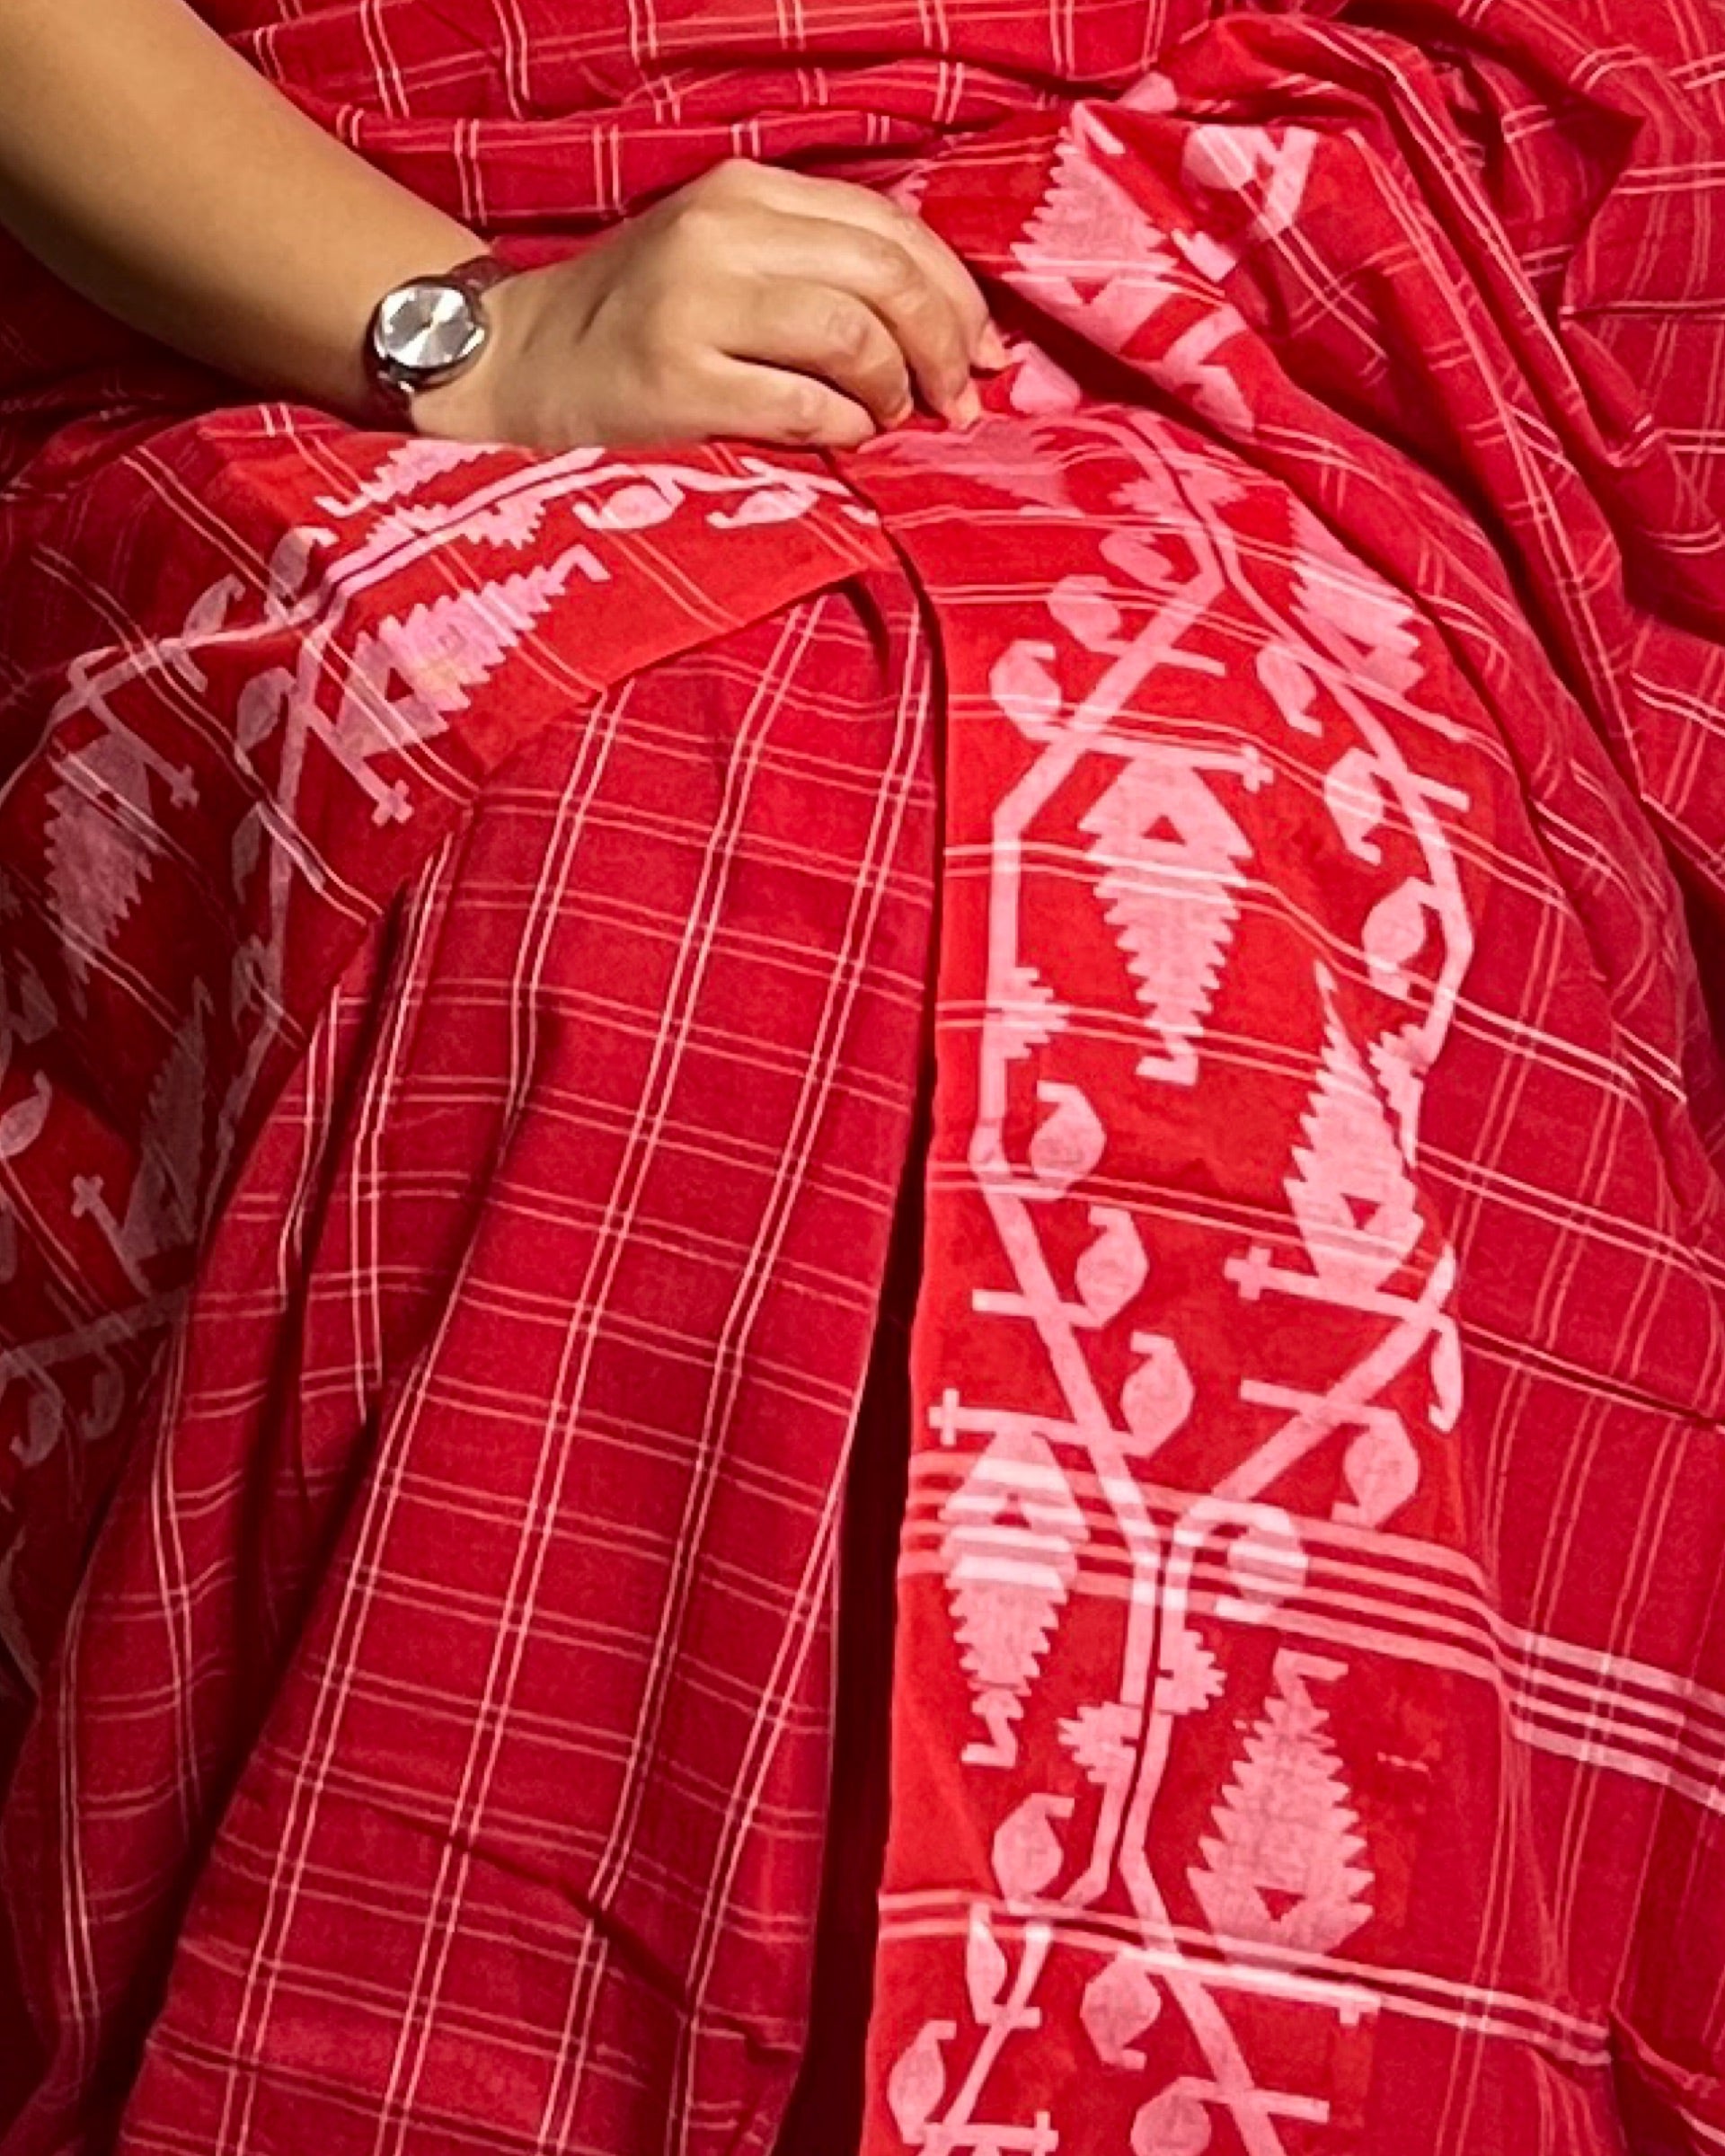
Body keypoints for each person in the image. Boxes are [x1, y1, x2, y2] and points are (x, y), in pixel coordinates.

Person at [3, 0, 1725, 2150]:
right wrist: (450, 326)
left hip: (1154, 240)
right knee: (699, 878)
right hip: (325, 270)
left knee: (1257, 886)